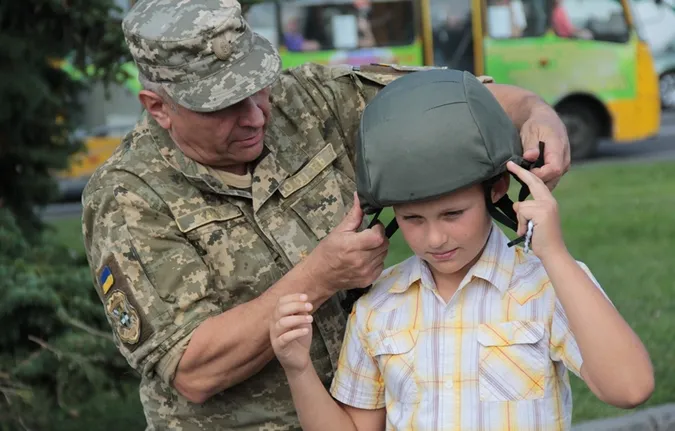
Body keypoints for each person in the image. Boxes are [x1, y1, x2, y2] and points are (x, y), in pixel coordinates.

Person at [81, 0, 573, 429]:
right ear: (158, 107)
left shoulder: (313, 98)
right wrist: (319, 277)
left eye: (258, 87)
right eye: (223, 106)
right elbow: (192, 369)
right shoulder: (128, 198)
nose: (255, 115)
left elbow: (456, 102)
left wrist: (536, 114)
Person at [270, 69, 654, 430]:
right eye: (412, 219)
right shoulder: (378, 307)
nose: (434, 238)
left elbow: (629, 388)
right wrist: (298, 368)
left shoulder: (545, 284)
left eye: (453, 213)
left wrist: (554, 254)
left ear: (499, 188)